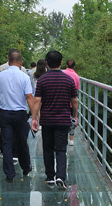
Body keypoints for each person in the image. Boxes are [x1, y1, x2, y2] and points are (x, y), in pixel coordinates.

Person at [31, 50, 78, 189]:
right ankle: (60, 177)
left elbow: (37, 100)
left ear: (47, 63)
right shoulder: (68, 80)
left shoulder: (42, 80)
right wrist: (74, 116)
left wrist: (34, 118)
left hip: (47, 120)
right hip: (63, 120)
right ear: (61, 62)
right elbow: (74, 100)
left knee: (48, 148)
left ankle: (50, 177)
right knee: (61, 149)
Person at [0, 49, 37, 182]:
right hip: (21, 114)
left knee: (7, 143)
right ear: (21, 62)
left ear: (8, 60)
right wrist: (34, 117)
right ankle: (26, 168)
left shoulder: (0, 76)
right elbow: (29, 96)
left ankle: (9, 174)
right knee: (22, 142)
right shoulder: (24, 77)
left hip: (5, 113)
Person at [62, 60, 80, 146]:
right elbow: (76, 91)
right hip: (71, 102)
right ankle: (71, 139)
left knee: (63, 120)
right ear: (75, 67)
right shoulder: (76, 76)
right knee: (73, 119)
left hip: (62, 101)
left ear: (66, 65)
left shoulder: (62, 73)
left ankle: (63, 137)